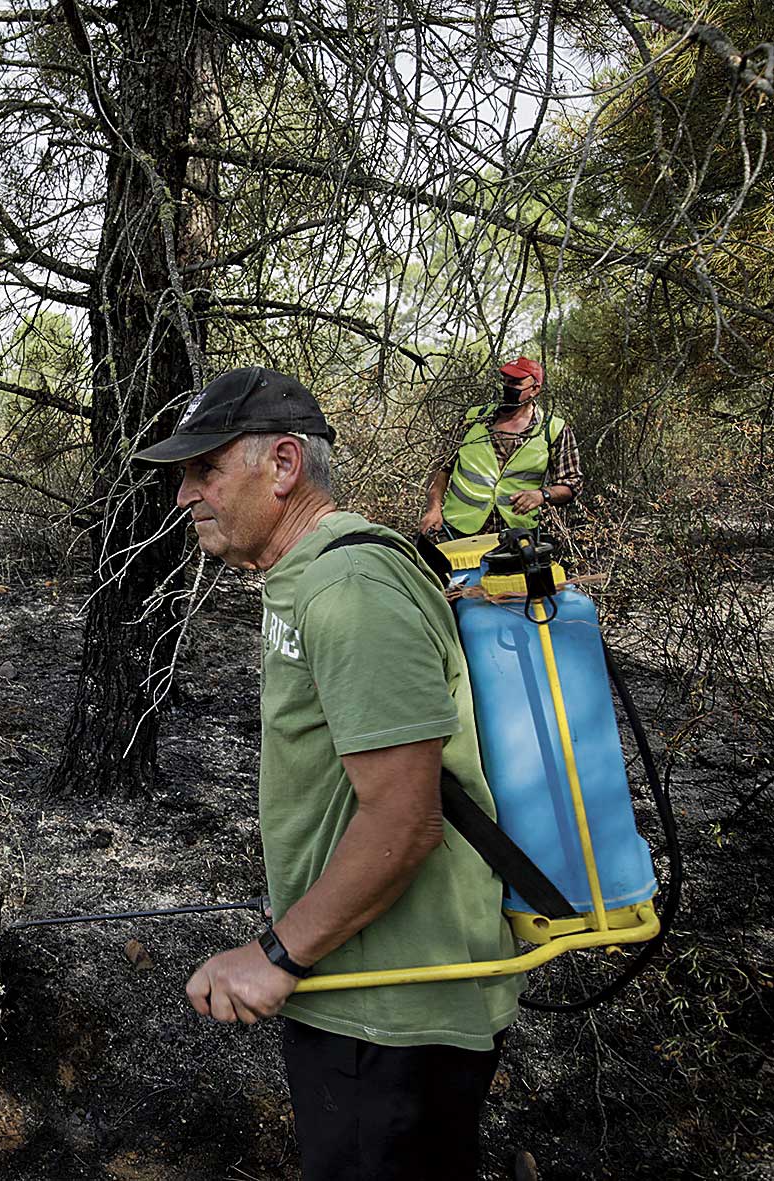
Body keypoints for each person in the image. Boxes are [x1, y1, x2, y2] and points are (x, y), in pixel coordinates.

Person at [132, 367, 519, 1181]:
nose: (185, 495)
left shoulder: (350, 586)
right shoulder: (304, 576)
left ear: (282, 464)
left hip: (396, 1015)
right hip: (354, 986)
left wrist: (276, 953)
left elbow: (403, 817)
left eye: (205, 469)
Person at [420, 356, 582, 538]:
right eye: (505, 381)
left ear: (535, 389)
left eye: (515, 383)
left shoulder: (553, 430)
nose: (507, 387)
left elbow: (571, 484)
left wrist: (542, 495)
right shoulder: (472, 419)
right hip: (459, 528)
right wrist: (433, 509)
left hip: (517, 534)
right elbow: (441, 466)